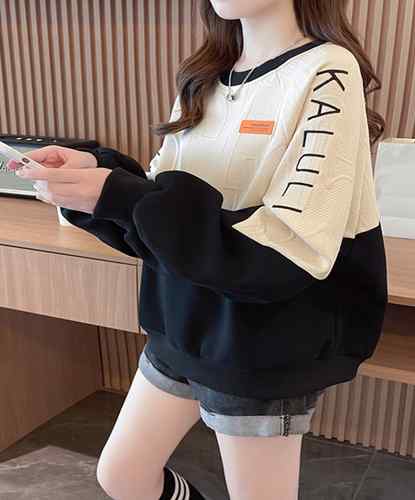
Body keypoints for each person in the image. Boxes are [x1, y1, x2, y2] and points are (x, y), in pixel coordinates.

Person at [12, 1, 388, 498]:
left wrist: (118, 194)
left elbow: (284, 251)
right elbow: (166, 205)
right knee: (122, 475)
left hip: (259, 340)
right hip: (182, 320)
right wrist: (98, 174)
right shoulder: (206, 74)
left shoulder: (327, 70)